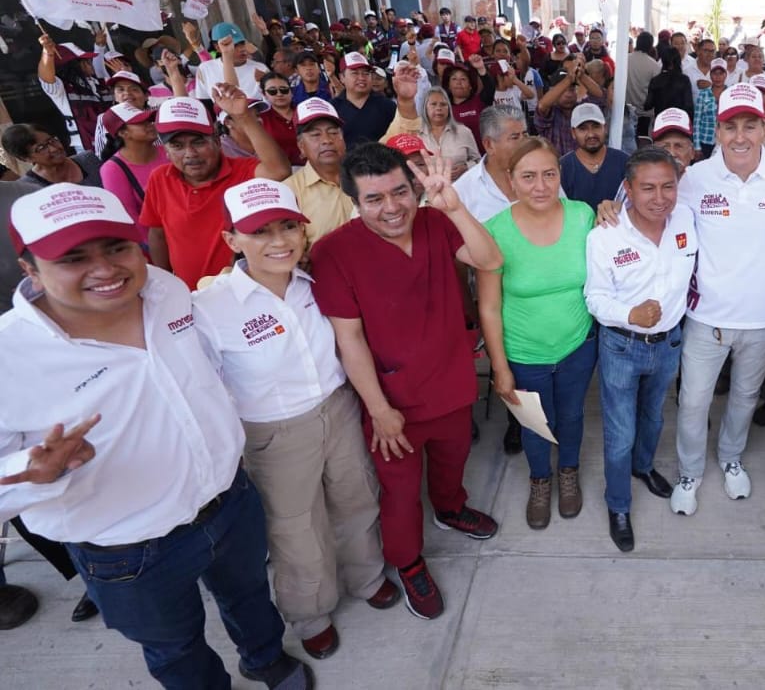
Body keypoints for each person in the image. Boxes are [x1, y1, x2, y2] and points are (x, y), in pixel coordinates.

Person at [0, 184, 313, 688]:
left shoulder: (165, 290)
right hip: (128, 547)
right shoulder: (9, 357)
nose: (105, 269)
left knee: (252, 593)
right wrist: (35, 475)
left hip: (228, 501)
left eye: (117, 248)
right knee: (175, 647)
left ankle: (265, 657)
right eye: (74, 258)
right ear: (30, 269)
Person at [193, 179, 397, 660]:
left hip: (338, 407)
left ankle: (365, 576)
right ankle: (311, 613)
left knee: (356, 499)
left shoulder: (312, 283)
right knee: (296, 527)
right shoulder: (210, 308)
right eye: (261, 232)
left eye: (288, 227)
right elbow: (203, 387)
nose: (279, 241)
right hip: (273, 432)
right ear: (232, 241)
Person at [610, 83, 765, 515]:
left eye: (750, 125)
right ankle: (690, 471)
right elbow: (649, 210)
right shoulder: (695, 178)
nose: (739, 136)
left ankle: (731, 459)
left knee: (745, 398)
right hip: (705, 317)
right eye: (731, 126)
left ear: (764, 127)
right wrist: (610, 208)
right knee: (694, 401)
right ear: (718, 130)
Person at [309, 144, 502, 620]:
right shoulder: (333, 252)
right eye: (374, 199)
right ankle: (409, 561)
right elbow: (348, 338)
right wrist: (378, 409)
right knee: (398, 491)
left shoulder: (436, 222)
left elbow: (490, 259)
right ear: (353, 200)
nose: (392, 207)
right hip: (393, 401)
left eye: (400, 192)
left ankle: (450, 508)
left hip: (452, 381)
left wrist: (453, 206)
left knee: (453, 459)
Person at [477, 137, 598, 530]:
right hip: (524, 353)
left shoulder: (583, 216)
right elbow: (489, 307)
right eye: (529, 177)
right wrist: (500, 367)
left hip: (577, 347)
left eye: (549, 174)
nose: (541, 186)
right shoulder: (494, 230)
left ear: (560, 175)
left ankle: (568, 471)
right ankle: (540, 480)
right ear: (511, 181)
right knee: (533, 424)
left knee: (572, 416)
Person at [584, 148, 694, 551]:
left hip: (669, 344)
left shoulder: (687, 219)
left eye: (668, 186)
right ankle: (618, 504)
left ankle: (643, 467)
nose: (660, 197)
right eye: (647, 188)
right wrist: (630, 313)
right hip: (622, 346)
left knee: (653, 416)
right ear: (627, 189)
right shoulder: (604, 236)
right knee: (619, 431)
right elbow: (594, 297)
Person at [141, 92, 291, 290]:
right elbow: (158, 234)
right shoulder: (159, 178)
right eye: (177, 146)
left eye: (198, 142)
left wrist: (244, 118)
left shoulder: (242, 171)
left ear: (217, 141)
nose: (189, 154)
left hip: (249, 292)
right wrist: (167, 284)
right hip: (190, 296)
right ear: (166, 151)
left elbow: (279, 170)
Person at [284, 98, 355, 243]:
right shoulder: (288, 193)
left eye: (333, 133)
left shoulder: (365, 175)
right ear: (301, 146)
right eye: (316, 135)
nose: (327, 140)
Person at [35, 35, 110, 153]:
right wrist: (47, 53)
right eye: (84, 61)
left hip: (111, 142)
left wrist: (99, 46)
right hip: (87, 148)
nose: (90, 63)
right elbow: (45, 78)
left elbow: (99, 68)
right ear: (71, 66)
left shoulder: (96, 82)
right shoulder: (61, 90)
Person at [98, 104, 168, 223]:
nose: (150, 125)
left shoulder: (169, 151)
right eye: (142, 123)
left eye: (149, 121)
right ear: (123, 133)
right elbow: (129, 217)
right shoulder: (113, 169)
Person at [560, 103, 629, 209]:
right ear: (573, 133)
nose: (591, 134)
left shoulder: (625, 162)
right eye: (583, 129)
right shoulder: (563, 167)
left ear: (605, 128)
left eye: (596, 126)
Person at [2, 124, 102, 189]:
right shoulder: (28, 187)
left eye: (52, 141)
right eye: (41, 148)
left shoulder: (89, 160)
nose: (54, 149)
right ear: (25, 158)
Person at [331, 53, 397, 145]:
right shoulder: (332, 109)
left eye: (366, 73)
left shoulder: (387, 106)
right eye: (355, 73)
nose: (361, 78)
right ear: (342, 77)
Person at [195, 23, 269, 101]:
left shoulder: (261, 69)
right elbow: (204, 102)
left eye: (242, 43)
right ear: (218, 47)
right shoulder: (205, 69)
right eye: (235, 45)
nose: (241, 49)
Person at [258, 72, 304, 166]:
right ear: (264, 94)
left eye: (284, 90)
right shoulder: (261, 120)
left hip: (311, 168)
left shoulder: (305, 112)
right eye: (272, 91)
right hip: (278, 171)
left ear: (291, 91)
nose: (279, 94)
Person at [692, 58, 731, 158]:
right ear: (710, 75)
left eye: (721, 73)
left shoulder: (731, 94)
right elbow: (697, 121)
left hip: (725, 141)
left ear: (726, 74)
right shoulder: (703, 94)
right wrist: (697, 146)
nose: (718, 77)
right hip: (705, 141)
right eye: (715, 73)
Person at [627, 32, 662, 138]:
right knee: (644, 144)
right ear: (651, 45)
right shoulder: (654, 66)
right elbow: (657, 91)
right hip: (645, 113)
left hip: (626, 110)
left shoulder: (624, 60)